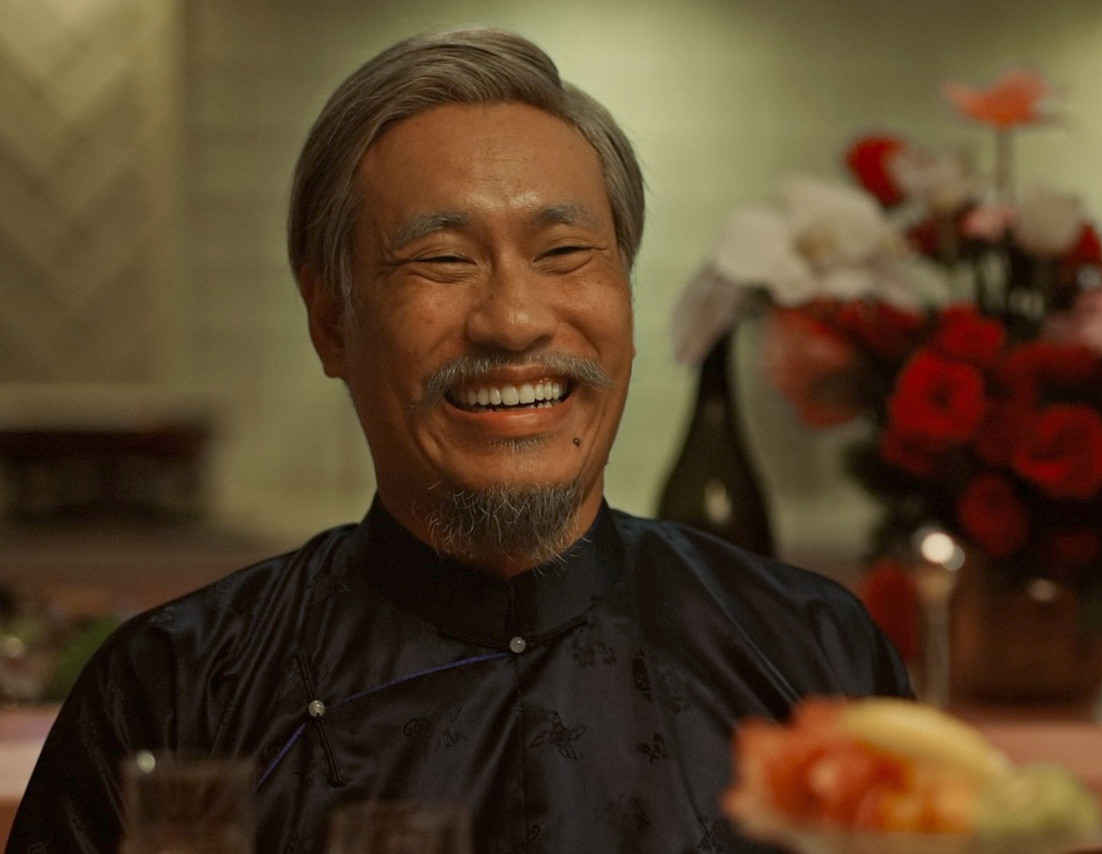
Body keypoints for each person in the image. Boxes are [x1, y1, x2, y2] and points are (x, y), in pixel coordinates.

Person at [7, 26, 910, 854]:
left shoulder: (812, 661)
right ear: (331, 322)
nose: (513, 321)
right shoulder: (175, 694)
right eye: (442, 259)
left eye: (564, 253)